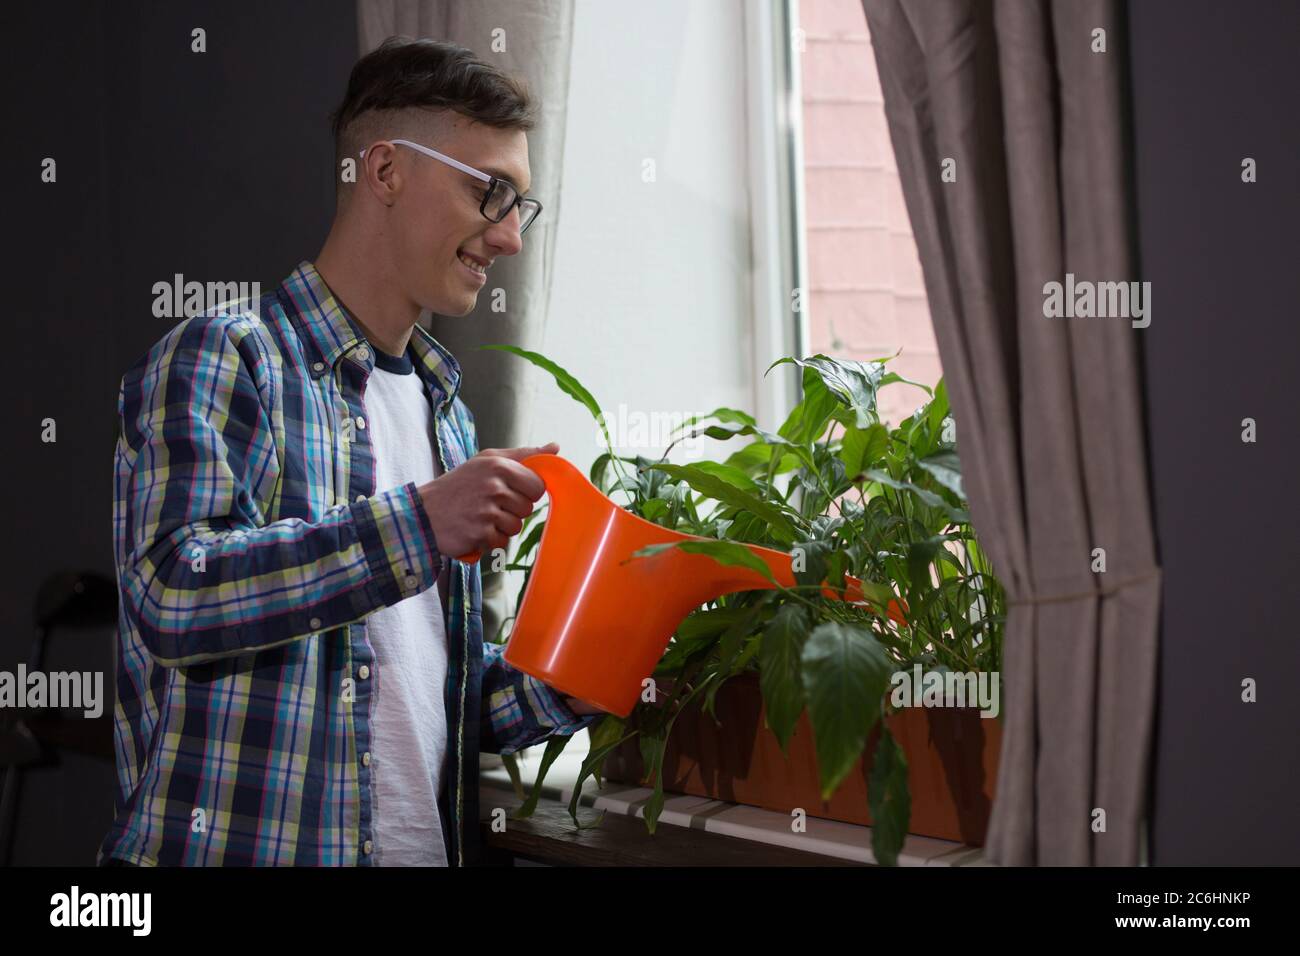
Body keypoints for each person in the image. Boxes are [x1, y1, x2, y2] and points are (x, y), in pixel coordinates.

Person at [97, 36, 603, 867]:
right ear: (384, 172)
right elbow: (174, 596)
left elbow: (435, 698)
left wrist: (592, 663)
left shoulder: (450, 420)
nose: (511, 237)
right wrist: (419, 525)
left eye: (521, 205)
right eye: (491, 193)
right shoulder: (225, 357)